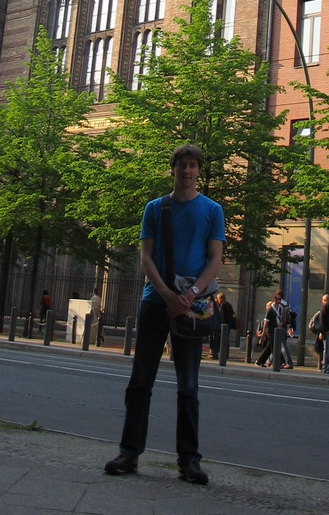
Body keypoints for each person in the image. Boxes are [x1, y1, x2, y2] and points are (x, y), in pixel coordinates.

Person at [104, 144, 225, 486]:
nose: (186, 171)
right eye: (181, 165)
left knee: (188, 387)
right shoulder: (156, 208)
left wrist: (190, 294)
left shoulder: (212, 210)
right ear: (172, 169)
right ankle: (129, 452)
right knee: (141, 382)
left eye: (192, 166)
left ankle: (189, 460)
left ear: (199, 171)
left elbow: (215, 258)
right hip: (156, 302)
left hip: (192, 306)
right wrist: (168, 293)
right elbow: (146, 258)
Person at [210, 291, 235, 359]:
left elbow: (221, 316)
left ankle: (217, 355)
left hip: (223, 326)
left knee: (218, 340)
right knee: (225, 340)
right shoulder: (228, 304)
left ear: (220, 298)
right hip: (228, 325)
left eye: (218, 299)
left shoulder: (223, 305)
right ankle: (225, 355)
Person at [320, 292, 329, 373]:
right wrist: (322, 332)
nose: (326, 302)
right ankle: (325, 367)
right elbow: (322, 321)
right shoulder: (325, 308)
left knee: (328, 350)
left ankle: (326, 367)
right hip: (326, 332)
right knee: (327, 350)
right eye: (325, 300)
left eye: (327, 300)